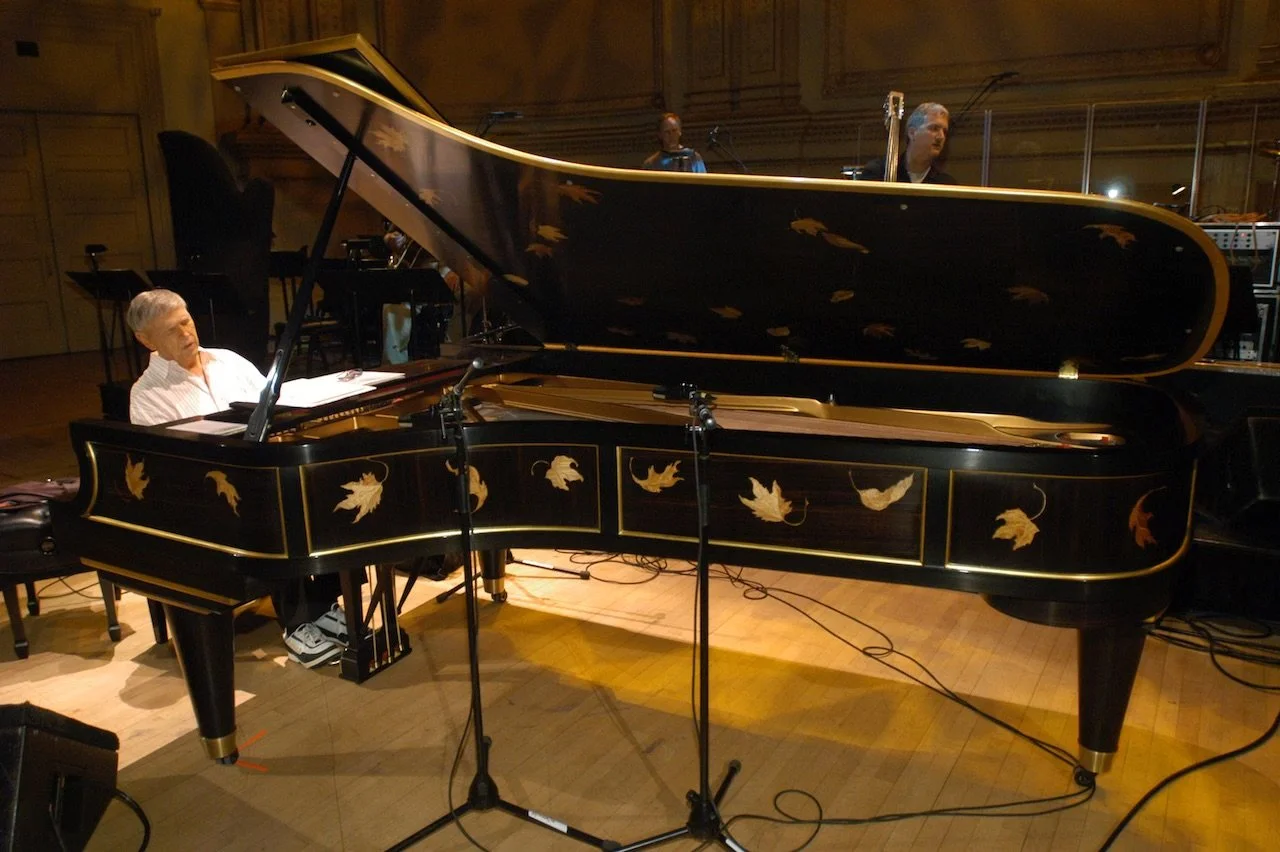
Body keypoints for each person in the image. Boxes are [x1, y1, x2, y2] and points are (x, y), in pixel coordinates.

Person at [126, 288, 348, 668]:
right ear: (146, 340)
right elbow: (170, 466)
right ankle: (298, 624)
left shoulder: (227, 360)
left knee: (322, 487)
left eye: (186, 322)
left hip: (259, 473)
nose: (186, 334)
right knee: (273, 509)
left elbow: (272, 406)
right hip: (207, 498)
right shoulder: (146, 394)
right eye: (171, 331)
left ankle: (324, 604)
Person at [860, 102, 957, 185]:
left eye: (944, 131)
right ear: (912, 133)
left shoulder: (946, 184)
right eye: (934, 128)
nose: (941, 137)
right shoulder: (877, 173)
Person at [642, 112, 707, 173]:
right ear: (660, 135)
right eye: (667, 132)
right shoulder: (651, 163)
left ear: (680, 132)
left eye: (674, 131)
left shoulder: (694, 158)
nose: (671, 136)